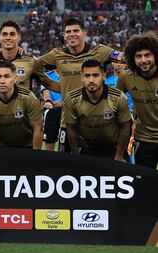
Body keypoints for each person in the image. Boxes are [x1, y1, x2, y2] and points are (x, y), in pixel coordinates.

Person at [35, 17, 120, 153]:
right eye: (68, 31)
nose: (72, 34)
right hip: (68, 122)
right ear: (64, 35)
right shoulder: (57, 54)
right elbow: (34, 66)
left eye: (76, 30)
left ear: (84, 33)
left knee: (96, 166)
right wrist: (52, 84)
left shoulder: (100, 51)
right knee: (68, 167)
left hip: (95, 122)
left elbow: (123, 57)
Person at [64, 59, 131, 160]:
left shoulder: (118, 98)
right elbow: (71, 129)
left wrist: (118, 156)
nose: (91, 80)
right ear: (82, 78)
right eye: (87, 76)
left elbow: (125, 128)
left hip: (113, 149)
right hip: (87, 149)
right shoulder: (72, 99)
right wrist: (77, 156)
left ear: (103, 76)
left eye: (95, 75)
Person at [0, 20, 59, 93]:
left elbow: (50, 84)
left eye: (12, 34)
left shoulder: (30, 61)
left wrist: (70, 89)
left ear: (19, 37)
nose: (8, 38)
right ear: (0, 38)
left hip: (24, 110)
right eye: (5, 34)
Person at [0, 60, 43, 149]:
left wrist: (35, 155)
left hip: (26, 146)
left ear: (15, 78)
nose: (2, 81)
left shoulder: (29, 98)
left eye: (7, 76)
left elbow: (38, 128)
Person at [117, 32, 158, 168]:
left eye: (148, 55)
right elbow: (116, 102)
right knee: (144, 182)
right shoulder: (126, 75)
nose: (143, 60)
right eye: (138, 56)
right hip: (144, 138)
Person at [42, 70, 63, 151]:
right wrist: (48, 101)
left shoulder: (69, 74)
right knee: (49, 140)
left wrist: (62, 103)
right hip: (51, 111)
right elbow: (45, 90)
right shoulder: (47, 75)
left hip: (67, 111)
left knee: (68, 140)